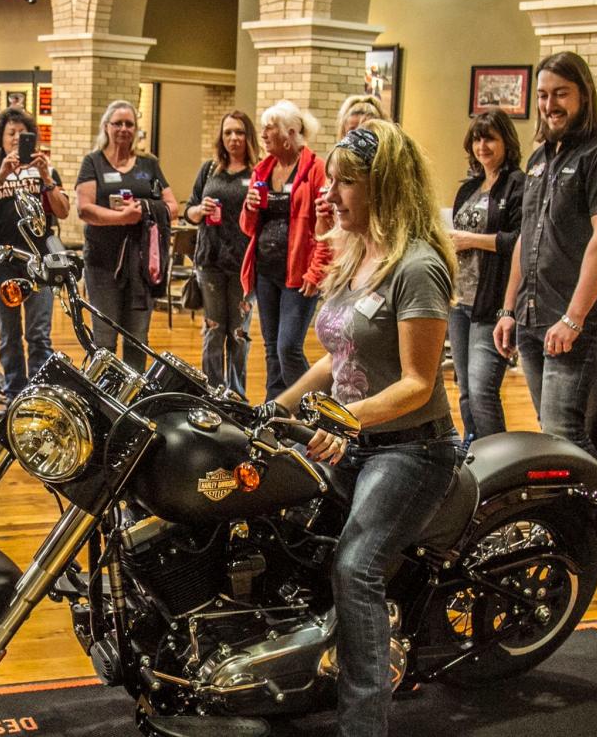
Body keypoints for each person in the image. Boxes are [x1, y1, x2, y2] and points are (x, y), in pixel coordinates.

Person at [275, 120, 459, 737]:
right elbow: (342, 355)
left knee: (356, 567)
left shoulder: (418, 267)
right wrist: (285, 400)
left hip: (411, 451)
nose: (331, 193)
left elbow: (418, 382)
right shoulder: (357, 256)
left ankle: (363, 725)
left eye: (346, 182)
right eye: (332, 180)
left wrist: (346, 420)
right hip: (354, 440)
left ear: (385, 187)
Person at [493, 52, 597, 460]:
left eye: (561, 93)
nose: (549, 104)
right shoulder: (541, 158)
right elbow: (526, 236)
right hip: (531, 316)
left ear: (584, 95)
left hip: (574, 320)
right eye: (542, 95)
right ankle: (567, 521)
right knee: (549, 432)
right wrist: (509, 309)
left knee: (563, 433)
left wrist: (573, 318)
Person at [0, 107, 70, 402]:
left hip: (40, 262)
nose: (16, 139)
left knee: (39, 333)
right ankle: (15, 394)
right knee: (9, 334)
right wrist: (1, 175)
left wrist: (45, 177)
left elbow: (63, 211)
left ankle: (38, 396)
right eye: (10, 133)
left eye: (22, 134)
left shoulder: (47, 170)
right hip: (3, 262)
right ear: (0, 139)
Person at [75, 100, 179, 371]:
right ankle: (104, 401)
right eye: (117, 123)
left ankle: (133, 403)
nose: (123, 129)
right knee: (105, 340)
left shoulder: (149, 164)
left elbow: (172, 207)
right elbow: (84, 208)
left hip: (141, 265)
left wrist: (145, 209)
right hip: (102, 262)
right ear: (106, 127)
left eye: (129, 124)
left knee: (137, 338)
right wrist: (120, 218)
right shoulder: (93, 162)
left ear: (136, 129)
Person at [241, 100, 333, 400]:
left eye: (271, 127)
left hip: (298, 274)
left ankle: (315, 406)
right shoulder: (263, 170)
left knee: (288, 347)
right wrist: (250, 206)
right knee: (271, 348)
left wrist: (317, 270)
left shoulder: (316, 170)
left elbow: (326, 228)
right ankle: (276, 412)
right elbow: (247, 226)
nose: (264, 134)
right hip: (265, 270)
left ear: (291, 132)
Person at [447, 108, 524, 441]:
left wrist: (471, 240)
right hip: (460, 300)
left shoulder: (518, 185)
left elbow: (521, 241)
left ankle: (499, 461)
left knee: (482, 390)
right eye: (477, 139)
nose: (483, 146)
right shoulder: (469, 188)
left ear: (506, 140)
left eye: (490, 138)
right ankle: (472, 452)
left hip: (492, 303)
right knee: (464, 390)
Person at [181, 110, 261, 397]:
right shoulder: (209, 169)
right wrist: (199, 211)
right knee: (214, 330)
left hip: (243, 264)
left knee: (238, 334)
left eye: (239, 132)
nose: (233, 138)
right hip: (210, 261)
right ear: (221, 137)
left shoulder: (258, 173)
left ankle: (236, 394)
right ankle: (212, 392)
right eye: (228, 132)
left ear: (248, 136)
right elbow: (188, 211)